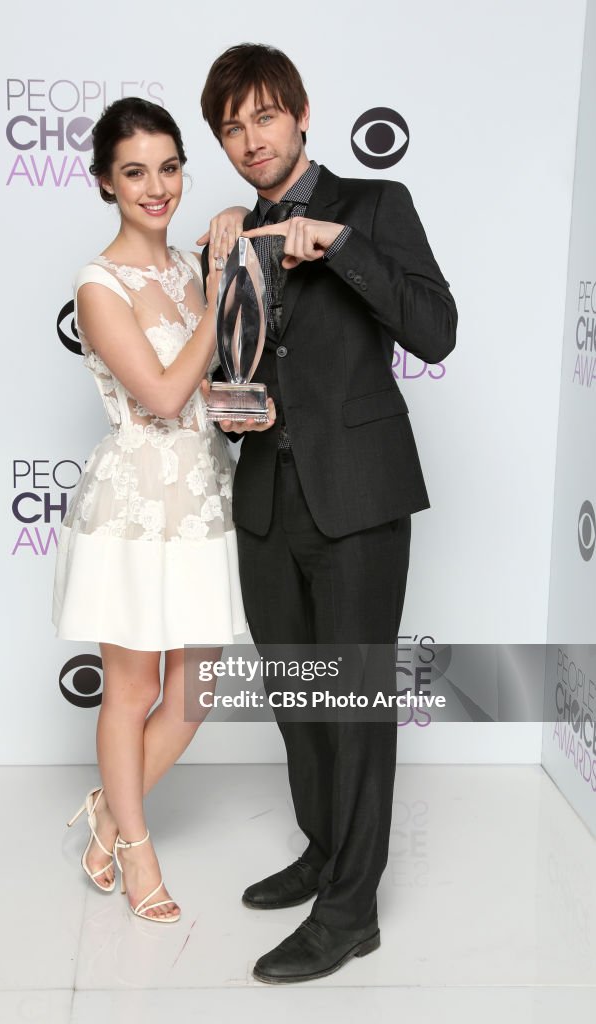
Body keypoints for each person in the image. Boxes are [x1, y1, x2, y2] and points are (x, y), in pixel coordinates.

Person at [199, 44, 457, 981]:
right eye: (230, 127)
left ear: (301, 114)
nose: (249, 139)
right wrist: (237, 398)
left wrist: (338, 246)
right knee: (299, 702)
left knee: (353, 705)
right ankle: (323, 849)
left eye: (263, 116)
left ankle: (352, 910)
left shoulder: (374, 207)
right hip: (267, 496)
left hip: (360, 498)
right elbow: (232, 367)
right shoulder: (227, 234)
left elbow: (436, 328)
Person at [52, 97, 248, 922]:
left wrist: (242, 407)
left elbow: (202, 397)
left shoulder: (183, 269)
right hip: (134, 508)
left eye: (169, 168)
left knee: (193, 695)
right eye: (135, 171)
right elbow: (163, 393)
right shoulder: (99, 284)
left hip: (202, 498)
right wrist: (220, 289)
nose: (157, 186)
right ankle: (136, 851)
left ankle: (105, 813)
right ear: (106, 182)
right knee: (130, 692)